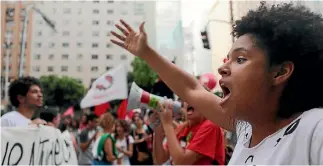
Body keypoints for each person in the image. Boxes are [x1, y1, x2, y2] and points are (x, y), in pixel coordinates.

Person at [110, 2, 323, 164]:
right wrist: (146, 53)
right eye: (227, 59)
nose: (223, 68)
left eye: (240, 59)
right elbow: (190, 88)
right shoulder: (246, 128)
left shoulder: (314, 128)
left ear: (280, 72)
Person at [153, 101, 225, 165]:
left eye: (194, 98)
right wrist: (157, 129)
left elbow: (181, 162)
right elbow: (160, 160)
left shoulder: (211, 125)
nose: (189, 101)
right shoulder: (182, 128)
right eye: (186, 98)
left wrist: (167, 124)